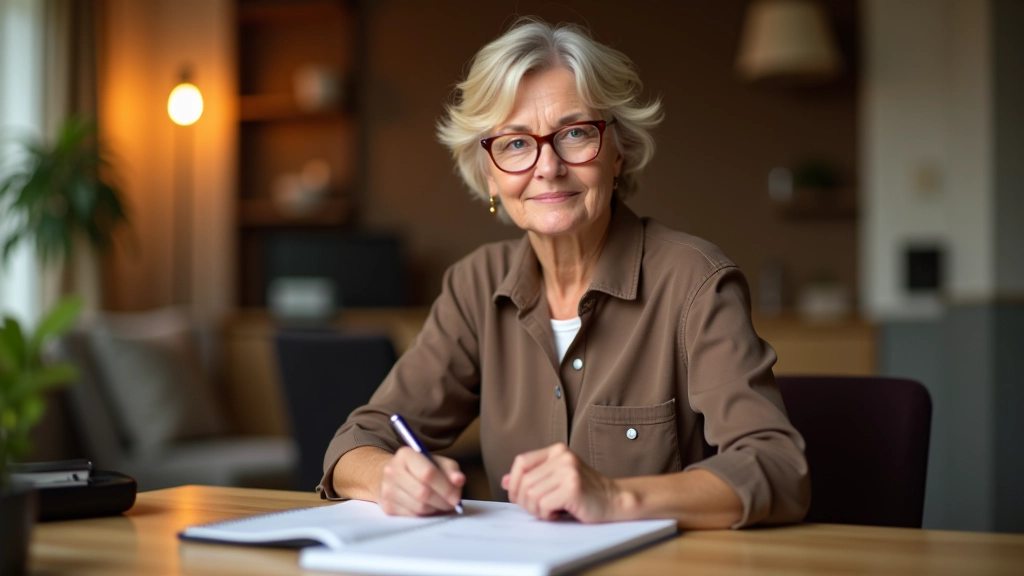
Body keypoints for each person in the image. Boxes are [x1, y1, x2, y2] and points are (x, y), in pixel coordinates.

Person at [317, 17, 810, 529]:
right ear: (489, 173)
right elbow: (356, 442)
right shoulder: (474, 286)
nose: (547, 167)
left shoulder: (695, 281)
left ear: (618, 152)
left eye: (575, 133)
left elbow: (778, 469)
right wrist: (389, 476)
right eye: (514, 143)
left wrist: (616, 497)